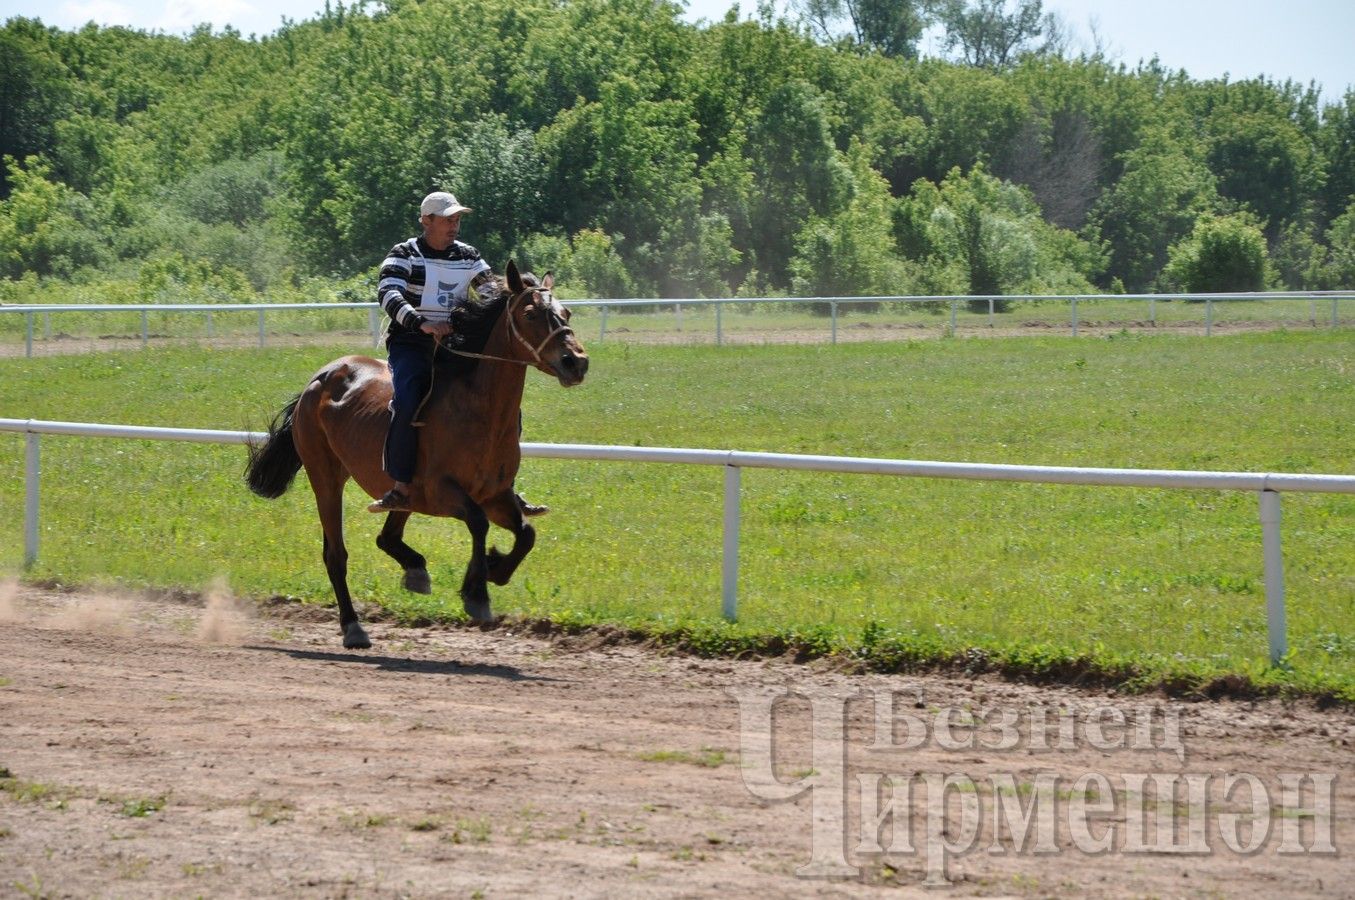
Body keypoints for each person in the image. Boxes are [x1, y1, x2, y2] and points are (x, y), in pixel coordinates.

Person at [367, 190, 548, 517]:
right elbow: (388, 293)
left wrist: (523, 293)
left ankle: (502, 485)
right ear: (426, 221)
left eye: (457, 219)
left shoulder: (469, 255)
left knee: (505, 405)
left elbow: (492, 291)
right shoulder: (403, 253)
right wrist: (421, 323)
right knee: (408, 398)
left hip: (454, 345)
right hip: (411, 342)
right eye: (448, 219)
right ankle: (401, 487)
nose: (454, 225)